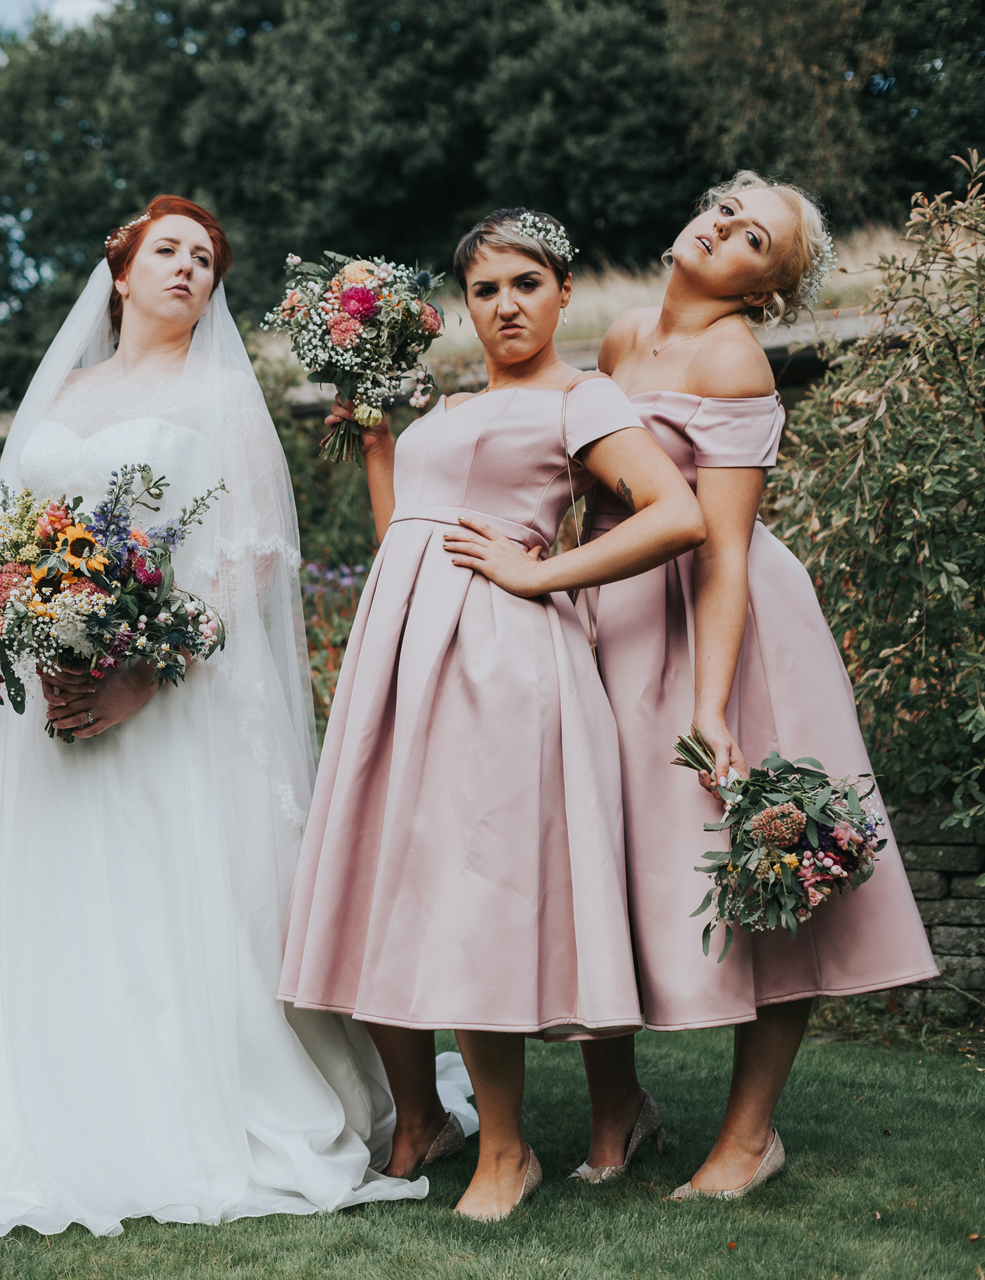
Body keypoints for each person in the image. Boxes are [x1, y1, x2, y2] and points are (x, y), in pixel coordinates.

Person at [0, 196, 427, 1236]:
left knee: (169, 896)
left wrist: (139, 674)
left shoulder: (222, 395)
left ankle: (186, 1105)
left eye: (206, 259)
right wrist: (26, 619)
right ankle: (17, 1100)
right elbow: (4, 542)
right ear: (118, 273)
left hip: (169, 702)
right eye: (167, 250)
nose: (188, 268)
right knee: (41, 894)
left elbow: (252, 559)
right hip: (45, 700)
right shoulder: (65, 391)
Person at [279, 209, 708, 1221]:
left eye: (526, 283)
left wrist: (541, 569)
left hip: (502, 661)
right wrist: (386, 446)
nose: (506, 304)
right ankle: (430, 1116)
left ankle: (508, 1151)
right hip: (402, 657)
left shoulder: (583, 396)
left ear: (563, 293)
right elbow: (410, 537)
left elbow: (677, 513)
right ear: (461, 307)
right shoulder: (451, 402)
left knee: (475, 887)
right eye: (485, 289)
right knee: (389, 876)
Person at [573, 173, 938, 1199]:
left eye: (754, 242)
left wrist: (709, 703)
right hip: (618, 609)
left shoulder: (733, 357)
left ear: (765, 291)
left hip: (722, 626)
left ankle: (748, 1133)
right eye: (728, 212)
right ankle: (617, 1111)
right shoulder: (620, 336)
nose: (725, 231)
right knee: (599, 851)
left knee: (774, 862)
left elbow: (724, 551)